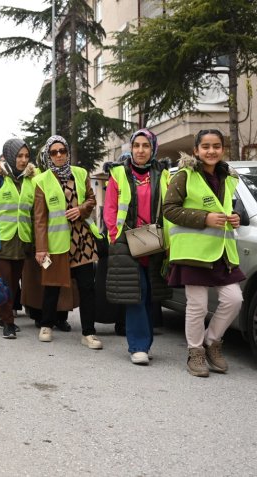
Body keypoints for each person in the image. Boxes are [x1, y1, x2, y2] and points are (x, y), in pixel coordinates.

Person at [163, 129, 244, 377]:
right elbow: (169, 209)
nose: (211, 151)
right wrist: (205, 218)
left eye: (216, 146)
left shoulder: (230, 178)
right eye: (206, 146)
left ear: (222, 149)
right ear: (196, 150)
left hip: (222, 252)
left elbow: (230, 207)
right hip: (194, 252)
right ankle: (195, 352)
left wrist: (236, 217)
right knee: (197, 306)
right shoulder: (185, 176)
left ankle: (212, 342)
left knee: (234, 300)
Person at [103, 129, 172, 365]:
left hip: (154, 239)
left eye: (145, 146)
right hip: (127, 240)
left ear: (153, 149)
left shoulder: (162, 174)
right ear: (130, 149)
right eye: (136, 146)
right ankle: (138, 346)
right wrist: (115, 235)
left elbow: (169, 206)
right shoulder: (119, 173)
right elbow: (110, 207)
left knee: (151, 293)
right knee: (137, 293)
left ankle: (145, 343)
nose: (140, 150)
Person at [33, 135, 103, 349]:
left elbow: (92, 199)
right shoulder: (41, 180)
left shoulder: (80, 173)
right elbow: (40, 218)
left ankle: (88, 333)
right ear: (48, 155)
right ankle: (46, 325)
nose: (59, 155)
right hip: (56, 243)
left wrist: (81, 209)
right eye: (54, 152)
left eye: (62, 150)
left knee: (86, 287)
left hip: (82, 239)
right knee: (52, 286)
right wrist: (41, 248)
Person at [0, 139, 39, 338]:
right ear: (10, 155)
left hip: (22, 239)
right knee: (2, 282)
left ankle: (5, 317)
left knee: (13, 282)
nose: (23, 160)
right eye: (19, 156)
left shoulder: (31, 178)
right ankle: (8, 323)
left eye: (26, 156)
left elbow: (34, 211)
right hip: (1, 239)